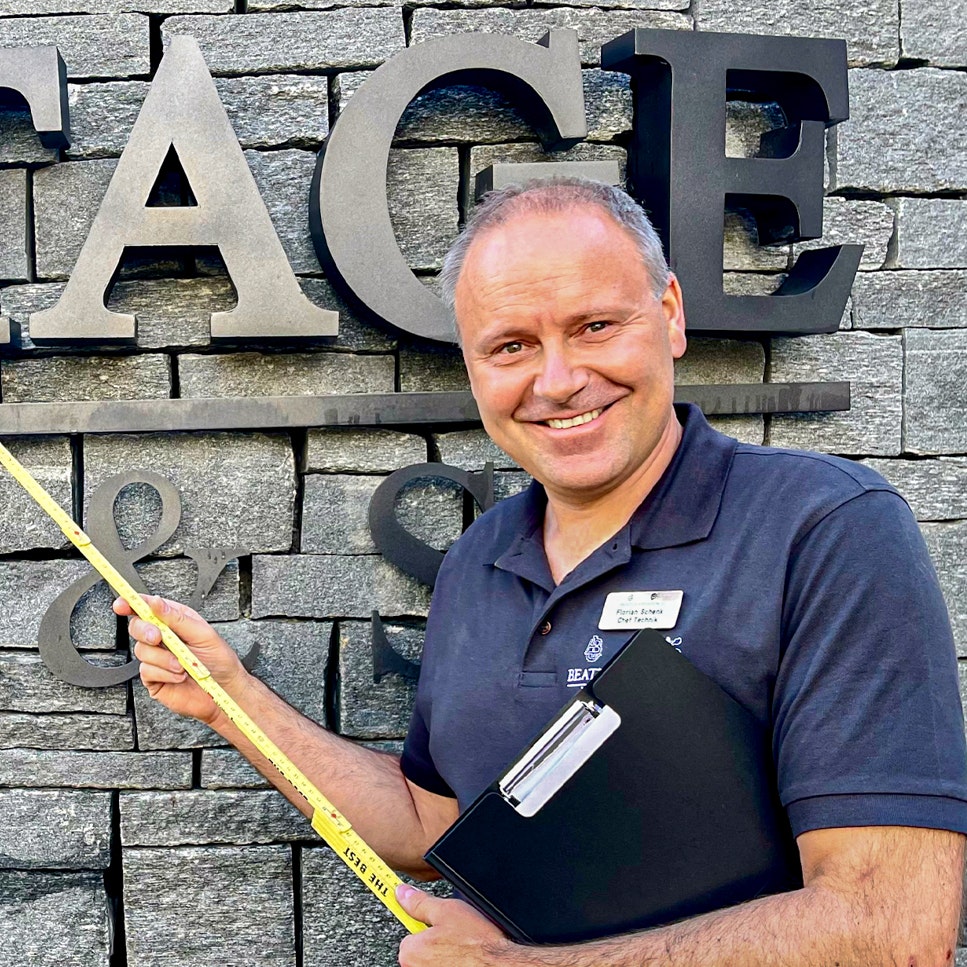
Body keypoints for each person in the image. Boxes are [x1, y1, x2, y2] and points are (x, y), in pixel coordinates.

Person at [118, 179, 967, 966]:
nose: (557, 381)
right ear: (472, 366)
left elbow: (893, 923)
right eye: (510, 345)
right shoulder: (478, 561)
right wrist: (232, 700)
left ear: (668, 313)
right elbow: (431, 822)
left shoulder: (821, 527)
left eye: (594, 326)